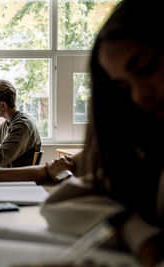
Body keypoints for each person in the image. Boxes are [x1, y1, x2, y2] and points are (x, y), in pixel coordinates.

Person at [40, 0, 164, 266]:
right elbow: (59, 202)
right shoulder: (150, 148)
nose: (140, 96)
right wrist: (136, 231)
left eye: (147, 68)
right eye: (123, 86)